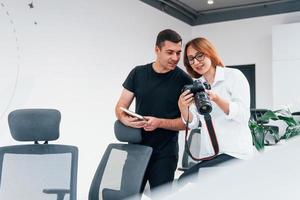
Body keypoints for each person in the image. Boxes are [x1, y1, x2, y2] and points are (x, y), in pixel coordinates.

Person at [115, 29, 193, 191]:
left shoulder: (184, 80)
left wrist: (159, 123)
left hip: (165, 154)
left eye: (178, 53)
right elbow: (120, 107)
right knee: (127, 196)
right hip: (136, 150)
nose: (175, 58)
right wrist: (124, 118)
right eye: (170, 52)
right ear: (157, 50)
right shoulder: (138, 73)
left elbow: (186, 122)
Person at [178, 37, 254, 182]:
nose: (196, 62)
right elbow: (193, 123)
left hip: (235, 153)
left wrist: (217, 99)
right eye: (191, 59)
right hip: (210, 155)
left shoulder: (234, 76)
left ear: (209, 52)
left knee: (184, 181)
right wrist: (183, 107)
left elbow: (243, 116)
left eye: (199, 55)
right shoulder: (198, 85)